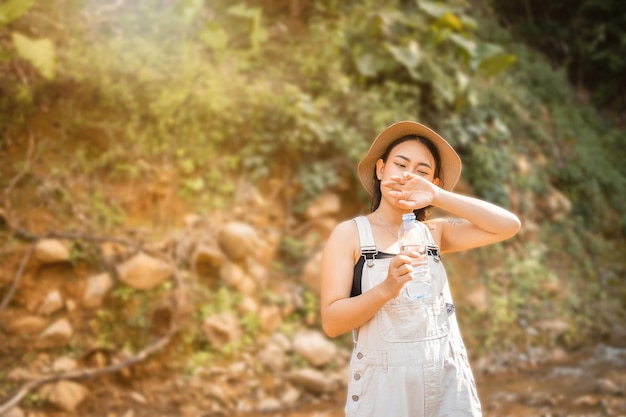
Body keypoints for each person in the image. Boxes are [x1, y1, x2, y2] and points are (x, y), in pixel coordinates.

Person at [320, 121, 521, 416]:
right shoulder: (350, 235)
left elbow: (508, 226)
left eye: (422, 172)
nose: (408, 176)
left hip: (448, 385)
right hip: (386, 391)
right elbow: (332, 322)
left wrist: (438, 197)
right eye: (400, 165)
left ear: (433, 183)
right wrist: (385, 289)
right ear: (380, 169)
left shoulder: (435, 234)